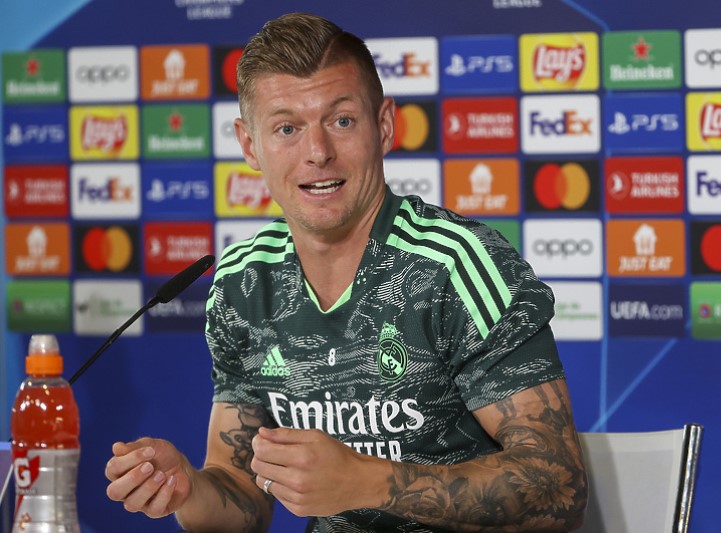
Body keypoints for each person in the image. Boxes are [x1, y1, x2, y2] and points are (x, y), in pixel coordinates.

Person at [105, 12, 588, 532]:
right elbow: (242, 499)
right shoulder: (245, 282)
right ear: (249, 146)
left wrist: (365, 481)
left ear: (384, 125)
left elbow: (558, 489)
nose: (318, 153)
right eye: (287, 128)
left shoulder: (456, 266)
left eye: (341, 121)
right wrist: (187, 489)